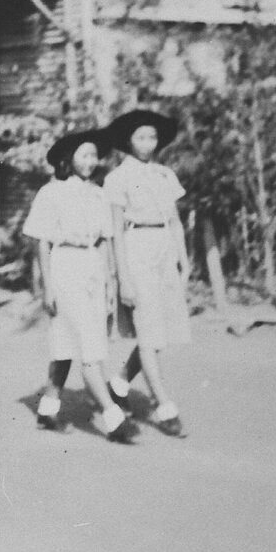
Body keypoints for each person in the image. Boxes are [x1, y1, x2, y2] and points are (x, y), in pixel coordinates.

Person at [22, 129, 132, 444]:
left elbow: (106, 240)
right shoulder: (52, 193)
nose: (90, 161)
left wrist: (111, 281)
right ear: (68, 159)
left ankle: (47, 408)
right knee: (88, 349)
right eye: (83, 155)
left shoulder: (99, 194)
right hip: (65, 267)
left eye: (93, 155)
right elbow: (41, 243)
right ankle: (113, 418)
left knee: (69, 342)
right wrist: (47, 287)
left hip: (92, 269)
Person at [103, 109, 190, 437]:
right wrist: (123, 276)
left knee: (158, 332)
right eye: (140, 137)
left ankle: (120, 382)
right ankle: (164, 405)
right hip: (136, 247)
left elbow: (176, 220)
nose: (147, 143)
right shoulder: (117, 177)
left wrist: (184, 259)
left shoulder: (165, 175)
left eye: (152, 137)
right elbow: (115, 230)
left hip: (164, 248)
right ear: (129, 141)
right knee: (149, 330)